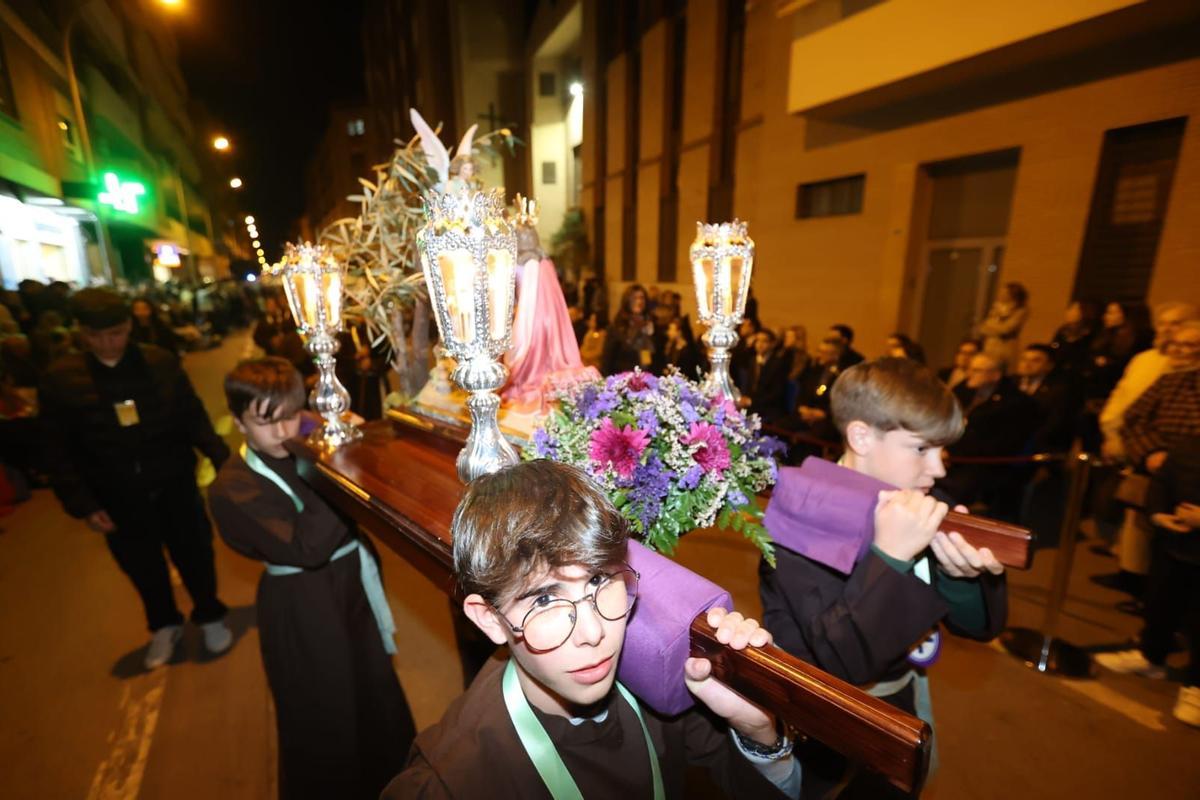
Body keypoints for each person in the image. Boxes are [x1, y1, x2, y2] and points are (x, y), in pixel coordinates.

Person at [382, 460, 801, 799]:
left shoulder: (651, 674)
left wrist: (757, 730)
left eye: (600, 580)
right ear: (490, 619)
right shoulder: (453, 783)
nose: (594, 632)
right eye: (545, 599)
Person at [759, 358, 1006, 797]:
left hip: (900, 701)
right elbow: (841, 661)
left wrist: (959, 575)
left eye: (942, 450)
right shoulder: (800, 512)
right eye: (921, 449)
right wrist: (889, 557)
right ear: (861, 436)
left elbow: (980, 626)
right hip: (822, 725)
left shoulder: (919, 496)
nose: (940, 469)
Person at [208, 358, 416, 799]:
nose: (284, 432)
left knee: (375, 693)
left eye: (290, 416)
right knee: (323, 713)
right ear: (238, 421)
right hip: (301, 602)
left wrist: (349, 436)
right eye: (267, 423)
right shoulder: (233, 486)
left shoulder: (306, 431)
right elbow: (305, 548)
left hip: (351, 583)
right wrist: (340, 464)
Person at [40, 288, 232, 670]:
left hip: (174, 480)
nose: (106, 344)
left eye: (114, 333)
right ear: (81, 333)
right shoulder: (61, 379)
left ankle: (210, 614)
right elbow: (55, 450)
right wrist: (84, 504)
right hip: (114, 494)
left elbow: (192, 417)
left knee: (194, 552)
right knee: (141, 565)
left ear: (129, 326)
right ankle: (164, 624)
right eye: (94, 336)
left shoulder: (159, 362)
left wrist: (224, 463)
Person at [1095, 432, 1200, 728]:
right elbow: (1163, 480)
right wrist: (1158, 515)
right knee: (1161, 604)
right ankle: (1151, 655)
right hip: (1175, 545)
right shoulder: (1190, 442)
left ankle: (1196, 687)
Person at [600, 285, 655, 375]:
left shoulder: (651, 324)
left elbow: (656, 358)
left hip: (647, 379)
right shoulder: (617, 327)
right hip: (623, 380)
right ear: (627, 301)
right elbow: (607, 359)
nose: (639, 301)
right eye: (634, 298)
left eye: (642, 298)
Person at [740, 328, 791, 423]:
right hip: (751, 404)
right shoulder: (752, 361)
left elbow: (776, 393)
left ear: (772, 344)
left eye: (764, 341)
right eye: (757, 340)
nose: (760, 344)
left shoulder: (778, 364)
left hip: (769, 407)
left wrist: (752, 401)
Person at [977, 282, 1028, 371]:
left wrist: (993, 326)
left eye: (1004, 292)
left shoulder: (1020, 310)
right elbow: (983, 328)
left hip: (1006, 346)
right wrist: (995, 326)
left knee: (1002, 369)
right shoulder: (996, 307)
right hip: (990, 345)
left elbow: (1006, 329)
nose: (1001, 294)